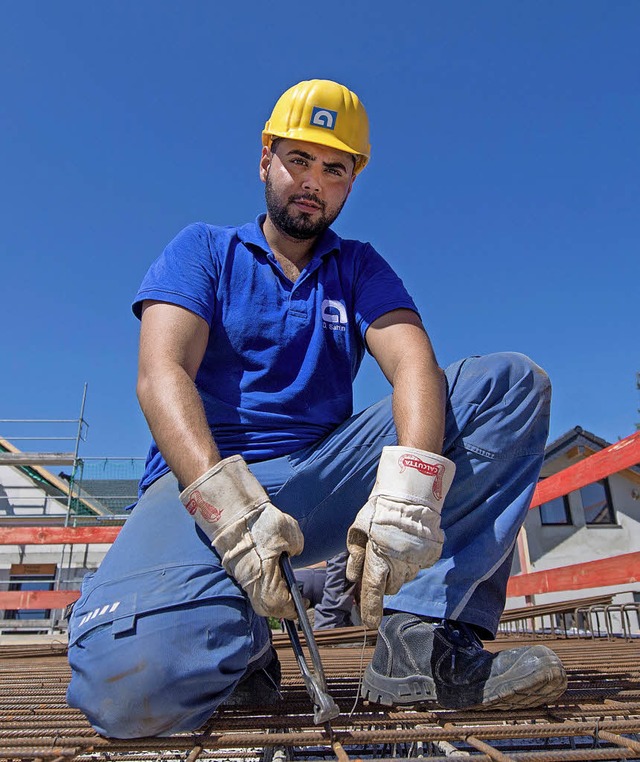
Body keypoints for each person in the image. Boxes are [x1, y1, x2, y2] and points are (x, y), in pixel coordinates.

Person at [66, 79, 566, 739]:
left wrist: (410, 493)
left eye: (335, 168)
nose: (313, 181)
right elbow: (162, 374)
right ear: (266, 157)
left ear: (352, 183)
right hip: (204, 483)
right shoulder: (205, 250)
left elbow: (413, 363)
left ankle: (422, 641)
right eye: (299, 159)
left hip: (324, 474)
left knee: (507, 384)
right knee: (131, 691)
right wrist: (227, 507)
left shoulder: (356, 267)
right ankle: (239, 640)